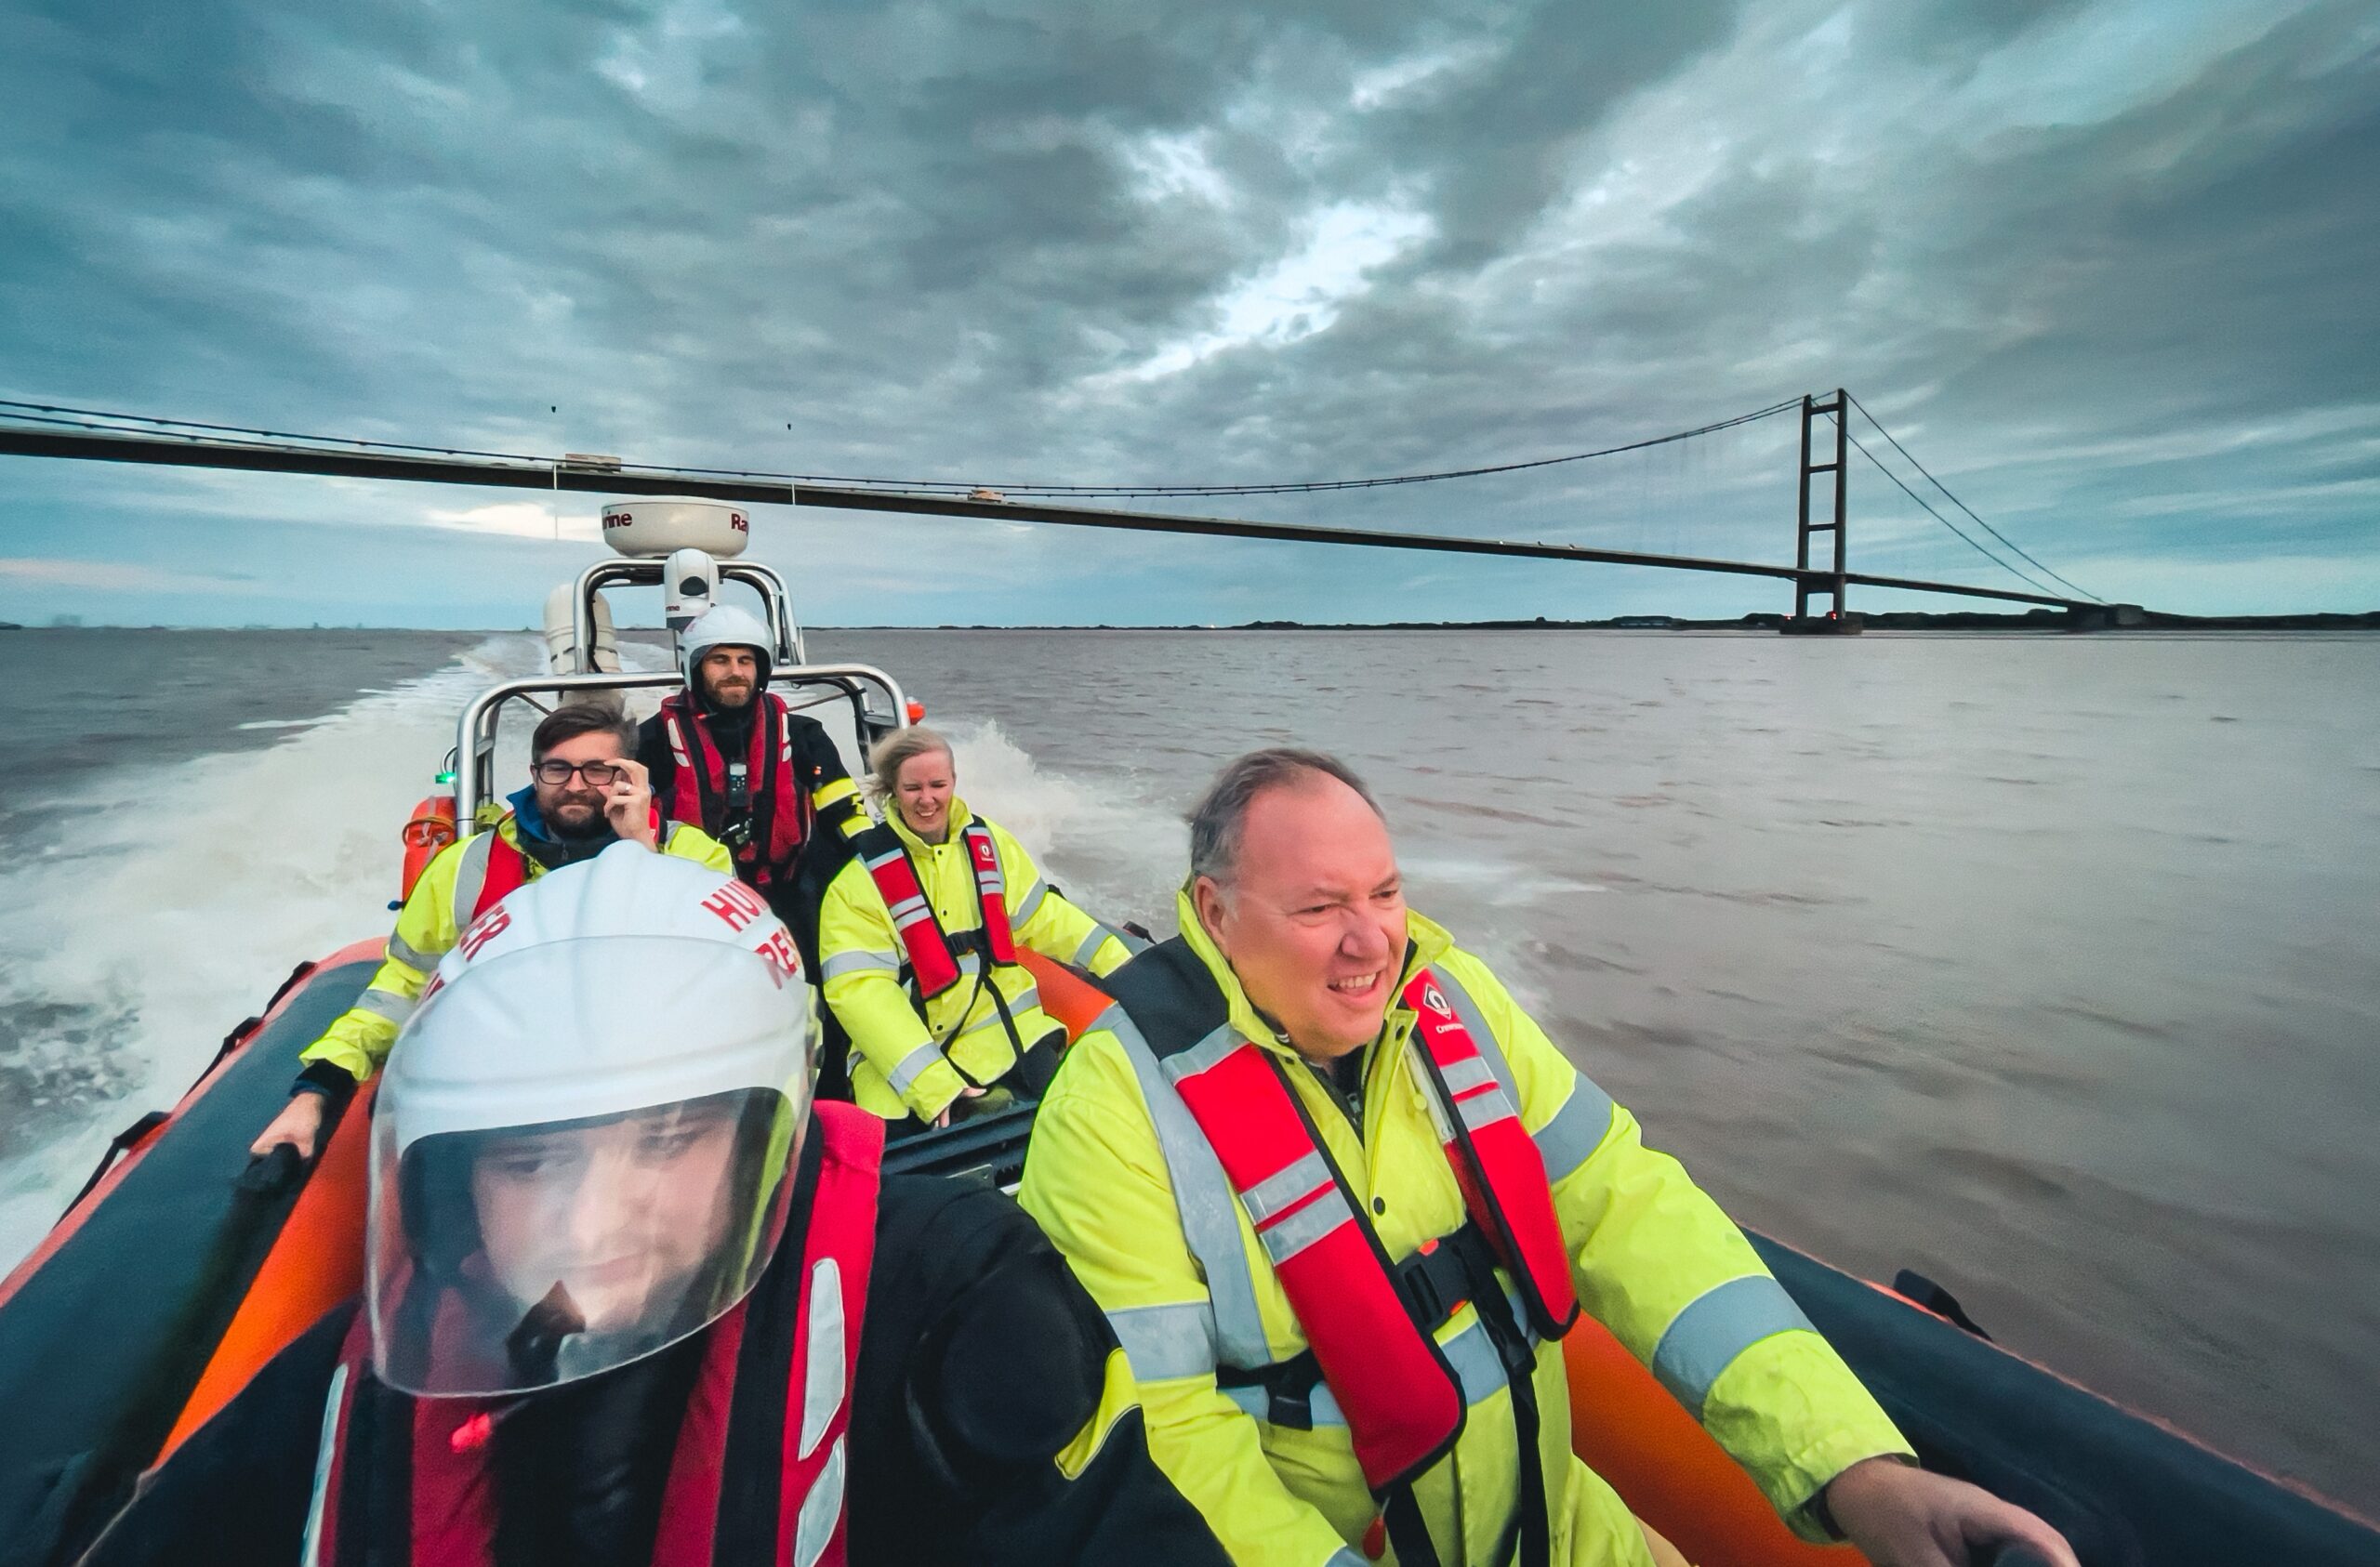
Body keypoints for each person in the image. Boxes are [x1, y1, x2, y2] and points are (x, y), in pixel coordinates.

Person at [1019, 748, 2081, 1567]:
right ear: (1213, 912)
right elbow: (1158, 1433)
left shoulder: (1458, 1009)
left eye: (1383, 893)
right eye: (1319, 907)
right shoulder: (1112, 1111)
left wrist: (1855, 1466)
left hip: (1561, 1526)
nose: (1371, 940)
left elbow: (1626, 1207)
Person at [94, 847, 1231, 1567]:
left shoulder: (943, 1312)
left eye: (667, 1143)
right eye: (529, 1163)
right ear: (451, 1178)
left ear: (760, 1142)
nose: (593, 1221)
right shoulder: (345, 1394)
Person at [250, 703, 731, 1161]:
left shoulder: (695, 859)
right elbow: (403, 991)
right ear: (535, 774)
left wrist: (639, 852)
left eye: (598, 770)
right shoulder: (463, 868)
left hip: (651, 1092)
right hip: (502, 1101)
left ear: (629, 774)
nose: (577, 785)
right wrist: (317, 1089)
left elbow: (716, 982)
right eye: (557, 769)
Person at [816, 726, 1142, 1130]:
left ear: (954, 782)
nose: (928, 798)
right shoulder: (857, 884)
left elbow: (1044, 917)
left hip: (1009, 1034)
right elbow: (861, 992)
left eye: (938, 784)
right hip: (907, 1060)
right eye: (913, 787)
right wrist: (933, 1086)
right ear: (891, 791)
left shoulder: (991, 844)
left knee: (1082, 1120)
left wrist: (1131, 970)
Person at [635, 602, 866, 964]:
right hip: (690, 902)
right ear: (694, 667)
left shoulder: (803, 735)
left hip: (785, 891)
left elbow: (847, 815)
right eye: (720, 660)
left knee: (826, 970)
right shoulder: (650, 742)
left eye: (746, 660)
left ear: (762, 669)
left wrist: (878, 860)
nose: (735, 672)